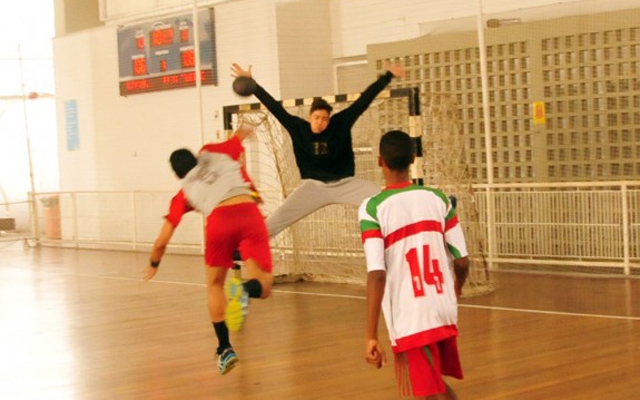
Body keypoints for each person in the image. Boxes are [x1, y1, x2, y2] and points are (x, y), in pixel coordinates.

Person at [143, 126, 274, 376]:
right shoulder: (213, 152)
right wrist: (243, 132)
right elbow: (236, 139)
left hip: (219, 221)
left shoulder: (184, 192)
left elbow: (162, 240)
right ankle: (246, 289)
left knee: (215, 285)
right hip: (248, 212)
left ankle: (225, 348)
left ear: (177, 174)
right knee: (264, 284)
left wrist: (154, 263)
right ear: (196, 156)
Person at [230, 62, 405, 238]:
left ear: (330, 119)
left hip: (346, 184)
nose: (320, 122)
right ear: (309, 116)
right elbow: (274, 107)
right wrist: (253, 85)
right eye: (316, 118)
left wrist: (388, 75)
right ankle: (246, 245)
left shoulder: (341, 123)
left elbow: (364, 100)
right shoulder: (298, 127)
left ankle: (409, 229)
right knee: (280, 217)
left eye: (324, 119)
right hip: (313, 187)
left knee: (388, 200)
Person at [358, 130, 470, 399]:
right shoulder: (438, 198)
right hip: (442, 304)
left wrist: (371, 335)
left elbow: (376, 273)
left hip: (412, 312)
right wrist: (455, 289)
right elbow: (463, 260)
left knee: (431, 391)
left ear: (379, 161)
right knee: (435, 385)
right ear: (412, 159)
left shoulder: (373, 208)